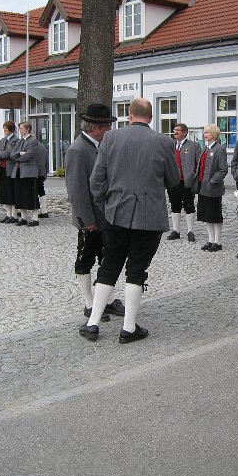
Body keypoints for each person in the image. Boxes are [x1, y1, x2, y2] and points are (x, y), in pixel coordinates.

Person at [80, 98, 180, 344]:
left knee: (109, 265)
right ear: (151, 116)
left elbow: (96, 181)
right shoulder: (164, 142)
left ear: (129, 114)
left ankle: (93, 323)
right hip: (149, 216)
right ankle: (128, 328)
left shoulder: (111, 138)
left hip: (115, 213)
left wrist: (106, 203)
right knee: (136, 270)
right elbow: (173, 180)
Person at [65, 103, 125, 321]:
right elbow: (76, 189)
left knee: (106, 259)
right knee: (85, 259)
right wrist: (85, 220)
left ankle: (105, 301)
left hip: (107, 216)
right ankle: (89, 302)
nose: (110, 128)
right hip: (91, 218)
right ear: (95, 127)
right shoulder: (77, 150)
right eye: (107, 125)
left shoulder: (102, 145)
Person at [195, 124, 228, 251]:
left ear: (213, 134)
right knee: (207, 215)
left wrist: (213, 181)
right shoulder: (205, 149)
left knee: (215, 215)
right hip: (203, 187)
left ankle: (217, 242)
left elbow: (223, 169)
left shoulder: (220, 149)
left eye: (207, 132)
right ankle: (210, 240)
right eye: (204, 132)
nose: (205, 134)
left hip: (213, 189)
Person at [166, 123, 200, 243]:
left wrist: (193, 177)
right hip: (172, 181)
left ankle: (190, 231)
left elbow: (198, 164)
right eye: (174, 130)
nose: (175, 132)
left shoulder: (193, 145)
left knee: (189, 205)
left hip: (186, 181)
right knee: (174, 205)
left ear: (185, 132)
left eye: (178, 130)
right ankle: (176, 231)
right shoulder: (170, 145)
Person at [10, 121, 40, 226]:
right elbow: (12, 154)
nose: (20, 130)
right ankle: (23, 217)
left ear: (27, 129)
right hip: (18, 171)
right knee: (20, 195)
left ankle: (35, 218)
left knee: (31, 195)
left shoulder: (33, 141)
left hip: (28, 172)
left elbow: (29, 156)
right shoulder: (20, 141)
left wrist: (18, 157)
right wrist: (19, 154)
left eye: (21, 128)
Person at [0, 121, 18, 223]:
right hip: (2, 168)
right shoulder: (2, 140)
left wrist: (1, 153)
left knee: (11, 192)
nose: (4, 131)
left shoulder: (15, 140)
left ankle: (14, 215)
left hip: (10, 168)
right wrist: (1, 153)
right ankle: (8, 214)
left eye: (6, 129)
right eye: (4, 129)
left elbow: (9, 154)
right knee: (4, 192)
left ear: (11, 130)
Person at [35, 140, 50, 219]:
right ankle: (44, 211)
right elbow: (46, 161)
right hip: (42, 171)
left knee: (36, 190)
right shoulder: (42, 147)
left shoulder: (33, 146)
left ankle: (36, 210)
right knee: (41, 190)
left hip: (35, 172)